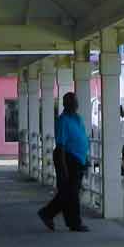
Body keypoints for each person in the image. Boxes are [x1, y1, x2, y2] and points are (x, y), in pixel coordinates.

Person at [38, 92, 90, 232]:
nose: (76, 104)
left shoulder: (77, 119)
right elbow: (60, 146)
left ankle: (52, 215)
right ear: (66, 104)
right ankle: (73, 222)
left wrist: (87, 158)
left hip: (79, 158)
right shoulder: (62, 121)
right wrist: (63, 168)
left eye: (76, 101)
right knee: (70, 193)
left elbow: (83, 138)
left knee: (69, 193)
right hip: (67, 158)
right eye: (73, 102)